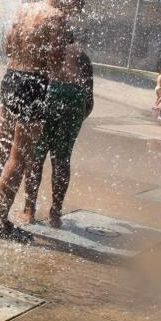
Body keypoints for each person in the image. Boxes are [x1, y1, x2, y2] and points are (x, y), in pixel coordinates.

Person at [0, 0, 85, 242]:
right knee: (19, 156)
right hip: (33, 84)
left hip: (11, 76)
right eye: (74, 8)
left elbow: (8, 46)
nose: (71, 14)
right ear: (69, 0)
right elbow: (56, 62)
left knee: (2, 143)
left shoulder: (22, 9)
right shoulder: (57, 18)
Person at [20, 42, 94, 228]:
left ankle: (29, 211)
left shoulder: (48, 48)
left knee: (35, 157)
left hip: (49, 95)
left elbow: (33, 83)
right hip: (75, 101)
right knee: (62, 159)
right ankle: (55, 213)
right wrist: (76, 119)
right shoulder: (82, 56)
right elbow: (89, 99)